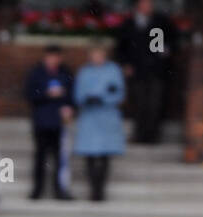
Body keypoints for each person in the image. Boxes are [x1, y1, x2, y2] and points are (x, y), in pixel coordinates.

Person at [114, 0, 176, 144]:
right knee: (139, 103)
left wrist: (165, 53)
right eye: (145, 4)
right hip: (137, 71)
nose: (148, 7)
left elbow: (170, 42)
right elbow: (121, 48)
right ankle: (140, 135)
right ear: (138, 6)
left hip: (156, 71)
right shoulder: (128, 24)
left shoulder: (160, 22)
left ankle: (152, 136)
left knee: (155, 104)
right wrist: (125, 65)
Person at [73, 43, 126, 202]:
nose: (97, 58)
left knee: (104, 155)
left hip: (107, 116)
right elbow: (78, 93)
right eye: (94, 54)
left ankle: (100, 190)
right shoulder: (85, 71)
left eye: (100, 54)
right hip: (89, 116)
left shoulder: (113, 70)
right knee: (89, 155)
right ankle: (93, 188)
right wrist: (87, 99)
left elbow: (118, 92)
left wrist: (103, 98)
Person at [24, 45, 75, 201]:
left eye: (56, 57)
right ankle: (37, 190)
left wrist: (69, 107)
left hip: (59, 122)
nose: (53, 60)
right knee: (40, 156)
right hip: (41, 121)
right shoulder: (36, 73)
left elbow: (72, 95)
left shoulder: (65, 73)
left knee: (59, 158)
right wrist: (47, 94)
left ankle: (59, 189)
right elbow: (30, 94)